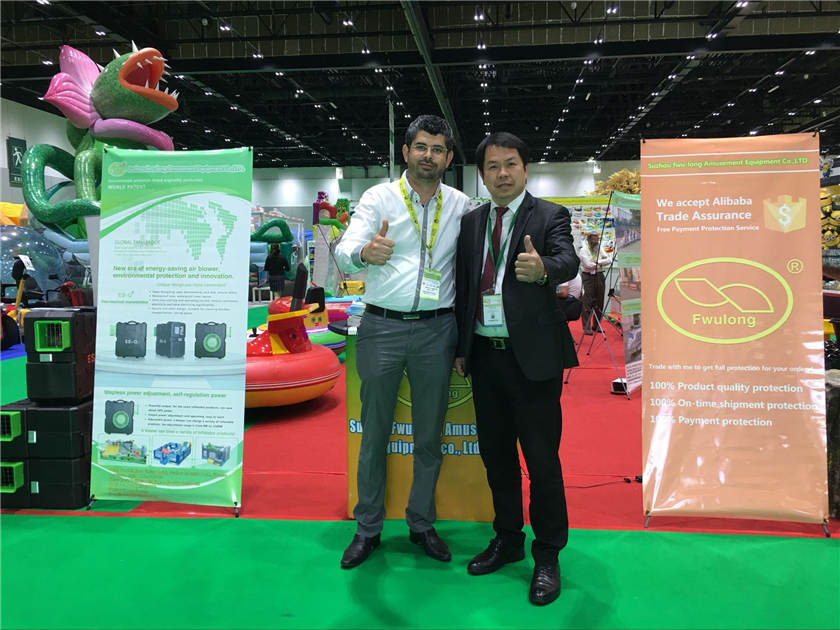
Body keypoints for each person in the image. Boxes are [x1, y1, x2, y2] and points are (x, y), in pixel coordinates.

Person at [334, 114, 469, 569]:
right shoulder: (379, 198)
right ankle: (367, 527)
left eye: (438, 149)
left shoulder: (460, 205)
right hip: (382, 327)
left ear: (448, 158)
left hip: (437, 330)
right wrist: (363, 253)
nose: (428, 155)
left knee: (429, 435)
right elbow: (345, 250)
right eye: (421, 147)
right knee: (374, 433)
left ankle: (421, 522)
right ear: (407, 151)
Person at [453, 132, 579, 606]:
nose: (501, 173)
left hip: (534, 362)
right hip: (486, 358)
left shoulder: (549, 215)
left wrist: (543, 268)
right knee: (497, 457)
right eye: (492, 166)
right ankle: (508, 539)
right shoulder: (472, 222)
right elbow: (466, 286)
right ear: (482, 175)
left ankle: (547, 554)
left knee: (542, 462)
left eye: (510, 164)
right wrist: (462, 348)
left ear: (525, 169)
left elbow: (568, 260)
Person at [579, 230, 612, 334]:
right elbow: (588, 265)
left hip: (599, 276)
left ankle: (596, 326)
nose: (595, 241)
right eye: (593, 239)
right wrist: (602, 262)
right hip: (588, 277)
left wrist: (597, 262)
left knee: (599, 302)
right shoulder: (584, 250)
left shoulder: (599, 248)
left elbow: (609, 260)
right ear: (588, 239)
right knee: (587, 302)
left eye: (597, 239)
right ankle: (587, 328)